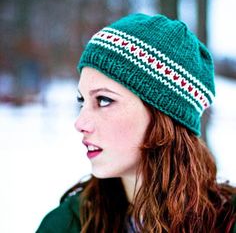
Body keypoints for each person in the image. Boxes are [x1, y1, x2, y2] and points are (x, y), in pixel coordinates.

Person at [36, 13, 236, 233]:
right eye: (82, 100)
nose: (80, 123)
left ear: (165, 118)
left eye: (104, 100)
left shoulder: (227, 224)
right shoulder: (66, 225)